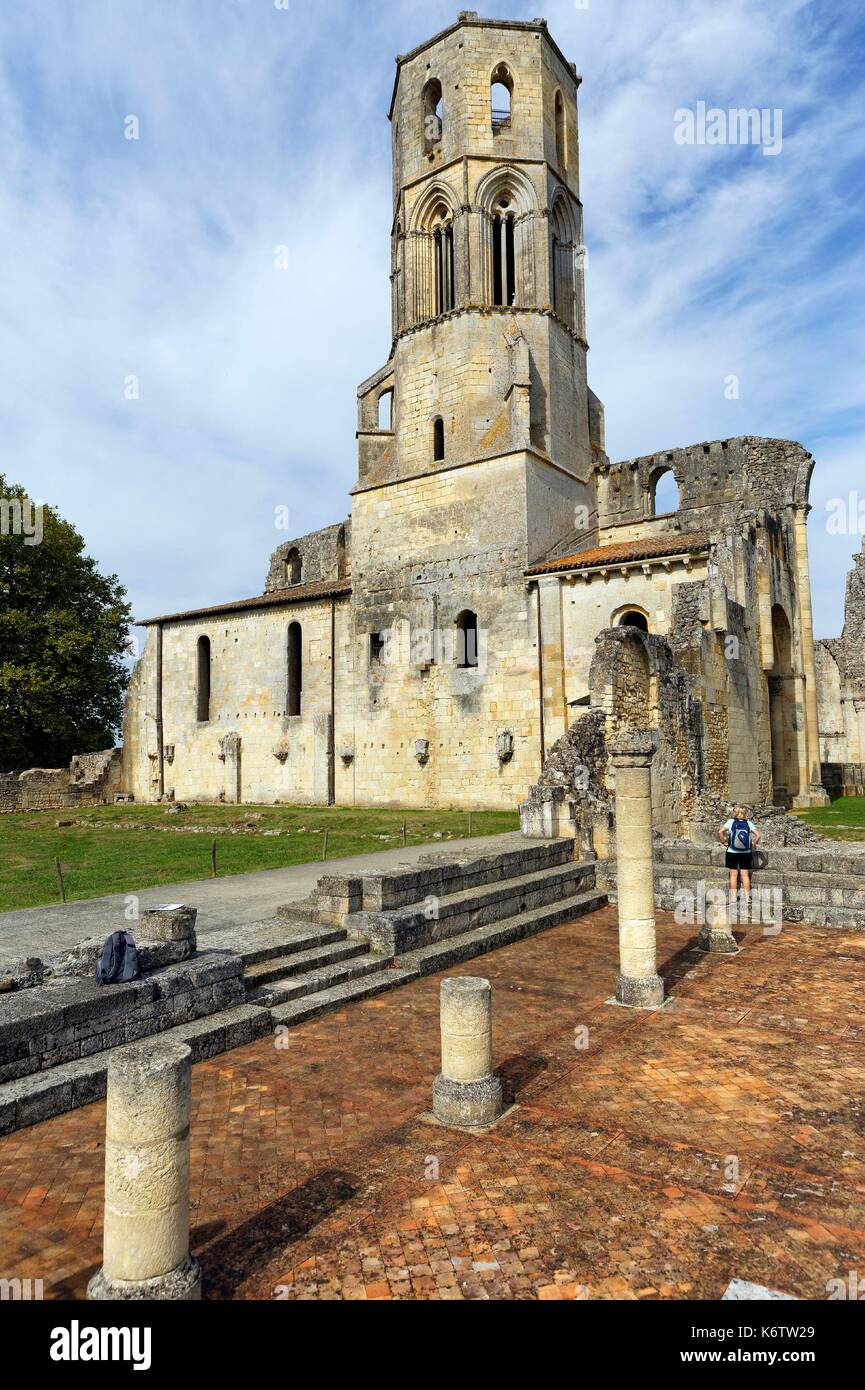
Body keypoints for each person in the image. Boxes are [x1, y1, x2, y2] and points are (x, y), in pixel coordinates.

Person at [719, 806, 761, 899]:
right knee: (745, 875)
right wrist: (753, 844)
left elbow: (720, 832)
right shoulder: (748, 823)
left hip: (732, 851)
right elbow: (758, 835)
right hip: (746, 852)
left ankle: (733, 897)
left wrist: (723, 842)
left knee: (733, 875)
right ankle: (747, 897)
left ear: (734, 813)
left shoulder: (730, 822)